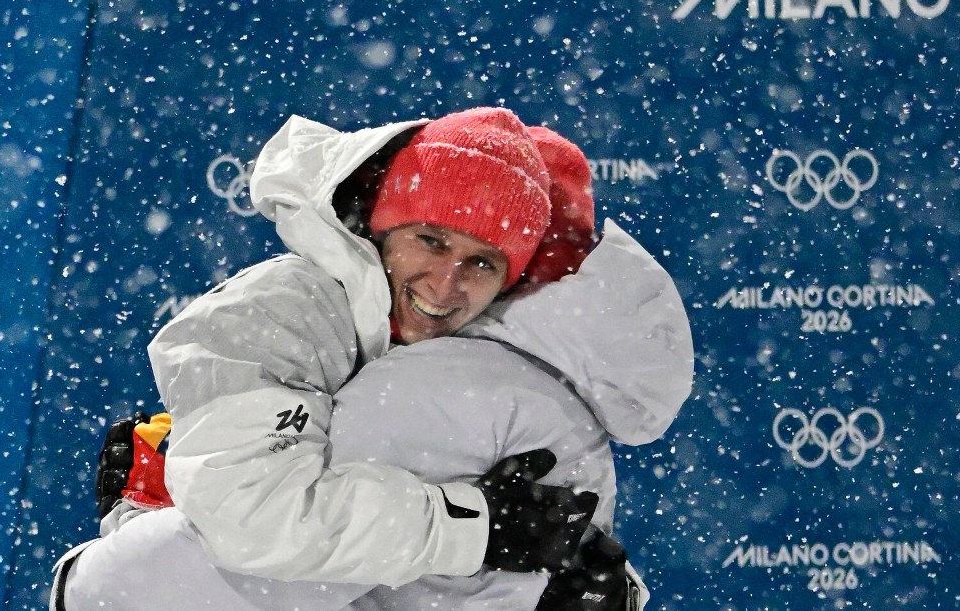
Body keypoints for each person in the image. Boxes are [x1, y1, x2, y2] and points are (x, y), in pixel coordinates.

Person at [50, 113, 694, 608]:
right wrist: (478, 528)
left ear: (511, 280)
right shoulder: (282, 312)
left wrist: (602, 593)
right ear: (382, 229)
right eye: (430, 241)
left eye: (481, 262)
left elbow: (536, 542)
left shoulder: (488, 364)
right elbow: (257, 526)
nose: (445, 285)